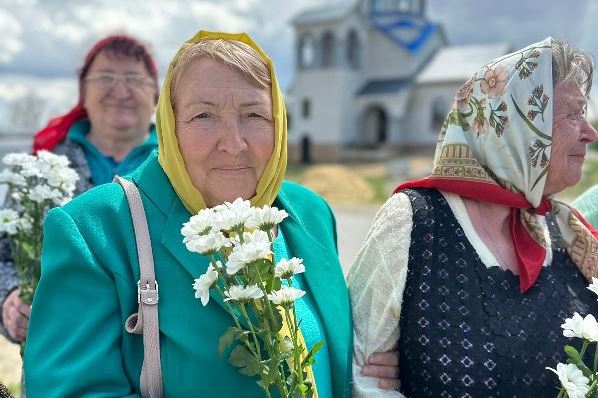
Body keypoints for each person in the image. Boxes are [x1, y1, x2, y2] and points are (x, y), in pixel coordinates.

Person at [23, 30, 397, 397]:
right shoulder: (95, 229)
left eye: (254, 115)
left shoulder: (310, 214)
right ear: (170, 125)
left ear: (279, 123)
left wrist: (378, 367)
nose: (233, 143)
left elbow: (335, 355)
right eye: (204, 115)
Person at [350, 38, 598, 397]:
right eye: (574, 114)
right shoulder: (416, 221)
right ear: (515, 125)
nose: (590, 132)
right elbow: (365, 380)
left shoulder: (566, 229)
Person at [0, 34, 159, 345]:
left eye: (133, 78)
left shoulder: (179, 166)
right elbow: (4, 256)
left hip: (158, 353)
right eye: (105, 77)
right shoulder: (38, 168)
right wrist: (9, 297)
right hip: (63, 347)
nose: (120, 89)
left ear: (155, 93)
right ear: (83, 91)